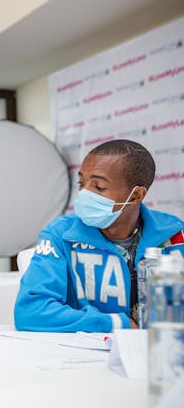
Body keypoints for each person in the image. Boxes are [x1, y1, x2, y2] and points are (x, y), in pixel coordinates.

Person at [14, 139, 184, 332]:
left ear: (136, 196)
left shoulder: (175, 235)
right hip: (85, 355)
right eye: (81, 183)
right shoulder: (61, 235)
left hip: (163, 350)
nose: (84, 194)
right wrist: (116, 324)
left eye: (99, 187)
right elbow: (30, 312)